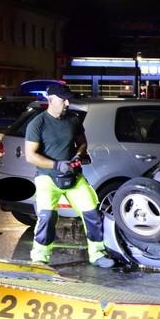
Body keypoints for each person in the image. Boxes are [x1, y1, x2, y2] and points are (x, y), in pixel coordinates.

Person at [24, 82, 114, 268]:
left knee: (92, 213)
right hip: (47, 177)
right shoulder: (37, 123)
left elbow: (82, 143)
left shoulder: (73, 119)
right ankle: (40, 258)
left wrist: (78, 156)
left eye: (68, 100)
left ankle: (97, 254)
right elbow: (30, 155)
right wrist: (57, 164)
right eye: (62, 100)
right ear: (50, 100)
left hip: (74, 176)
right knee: (47, 217)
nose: (66, 103)